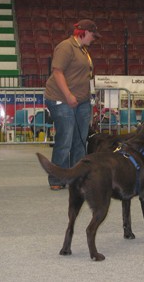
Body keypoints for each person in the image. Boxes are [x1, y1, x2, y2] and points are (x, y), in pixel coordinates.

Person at [44, 19, 101, 190]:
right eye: (93, 35)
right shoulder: (66, 46)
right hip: (61, 99)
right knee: (65, 139)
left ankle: (77, 177)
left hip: (81, 101)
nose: (94, 39)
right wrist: (68, 95)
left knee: (80, 140)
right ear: (83, 32)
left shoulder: (83, 50)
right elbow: (57, 72)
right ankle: (56, 178)